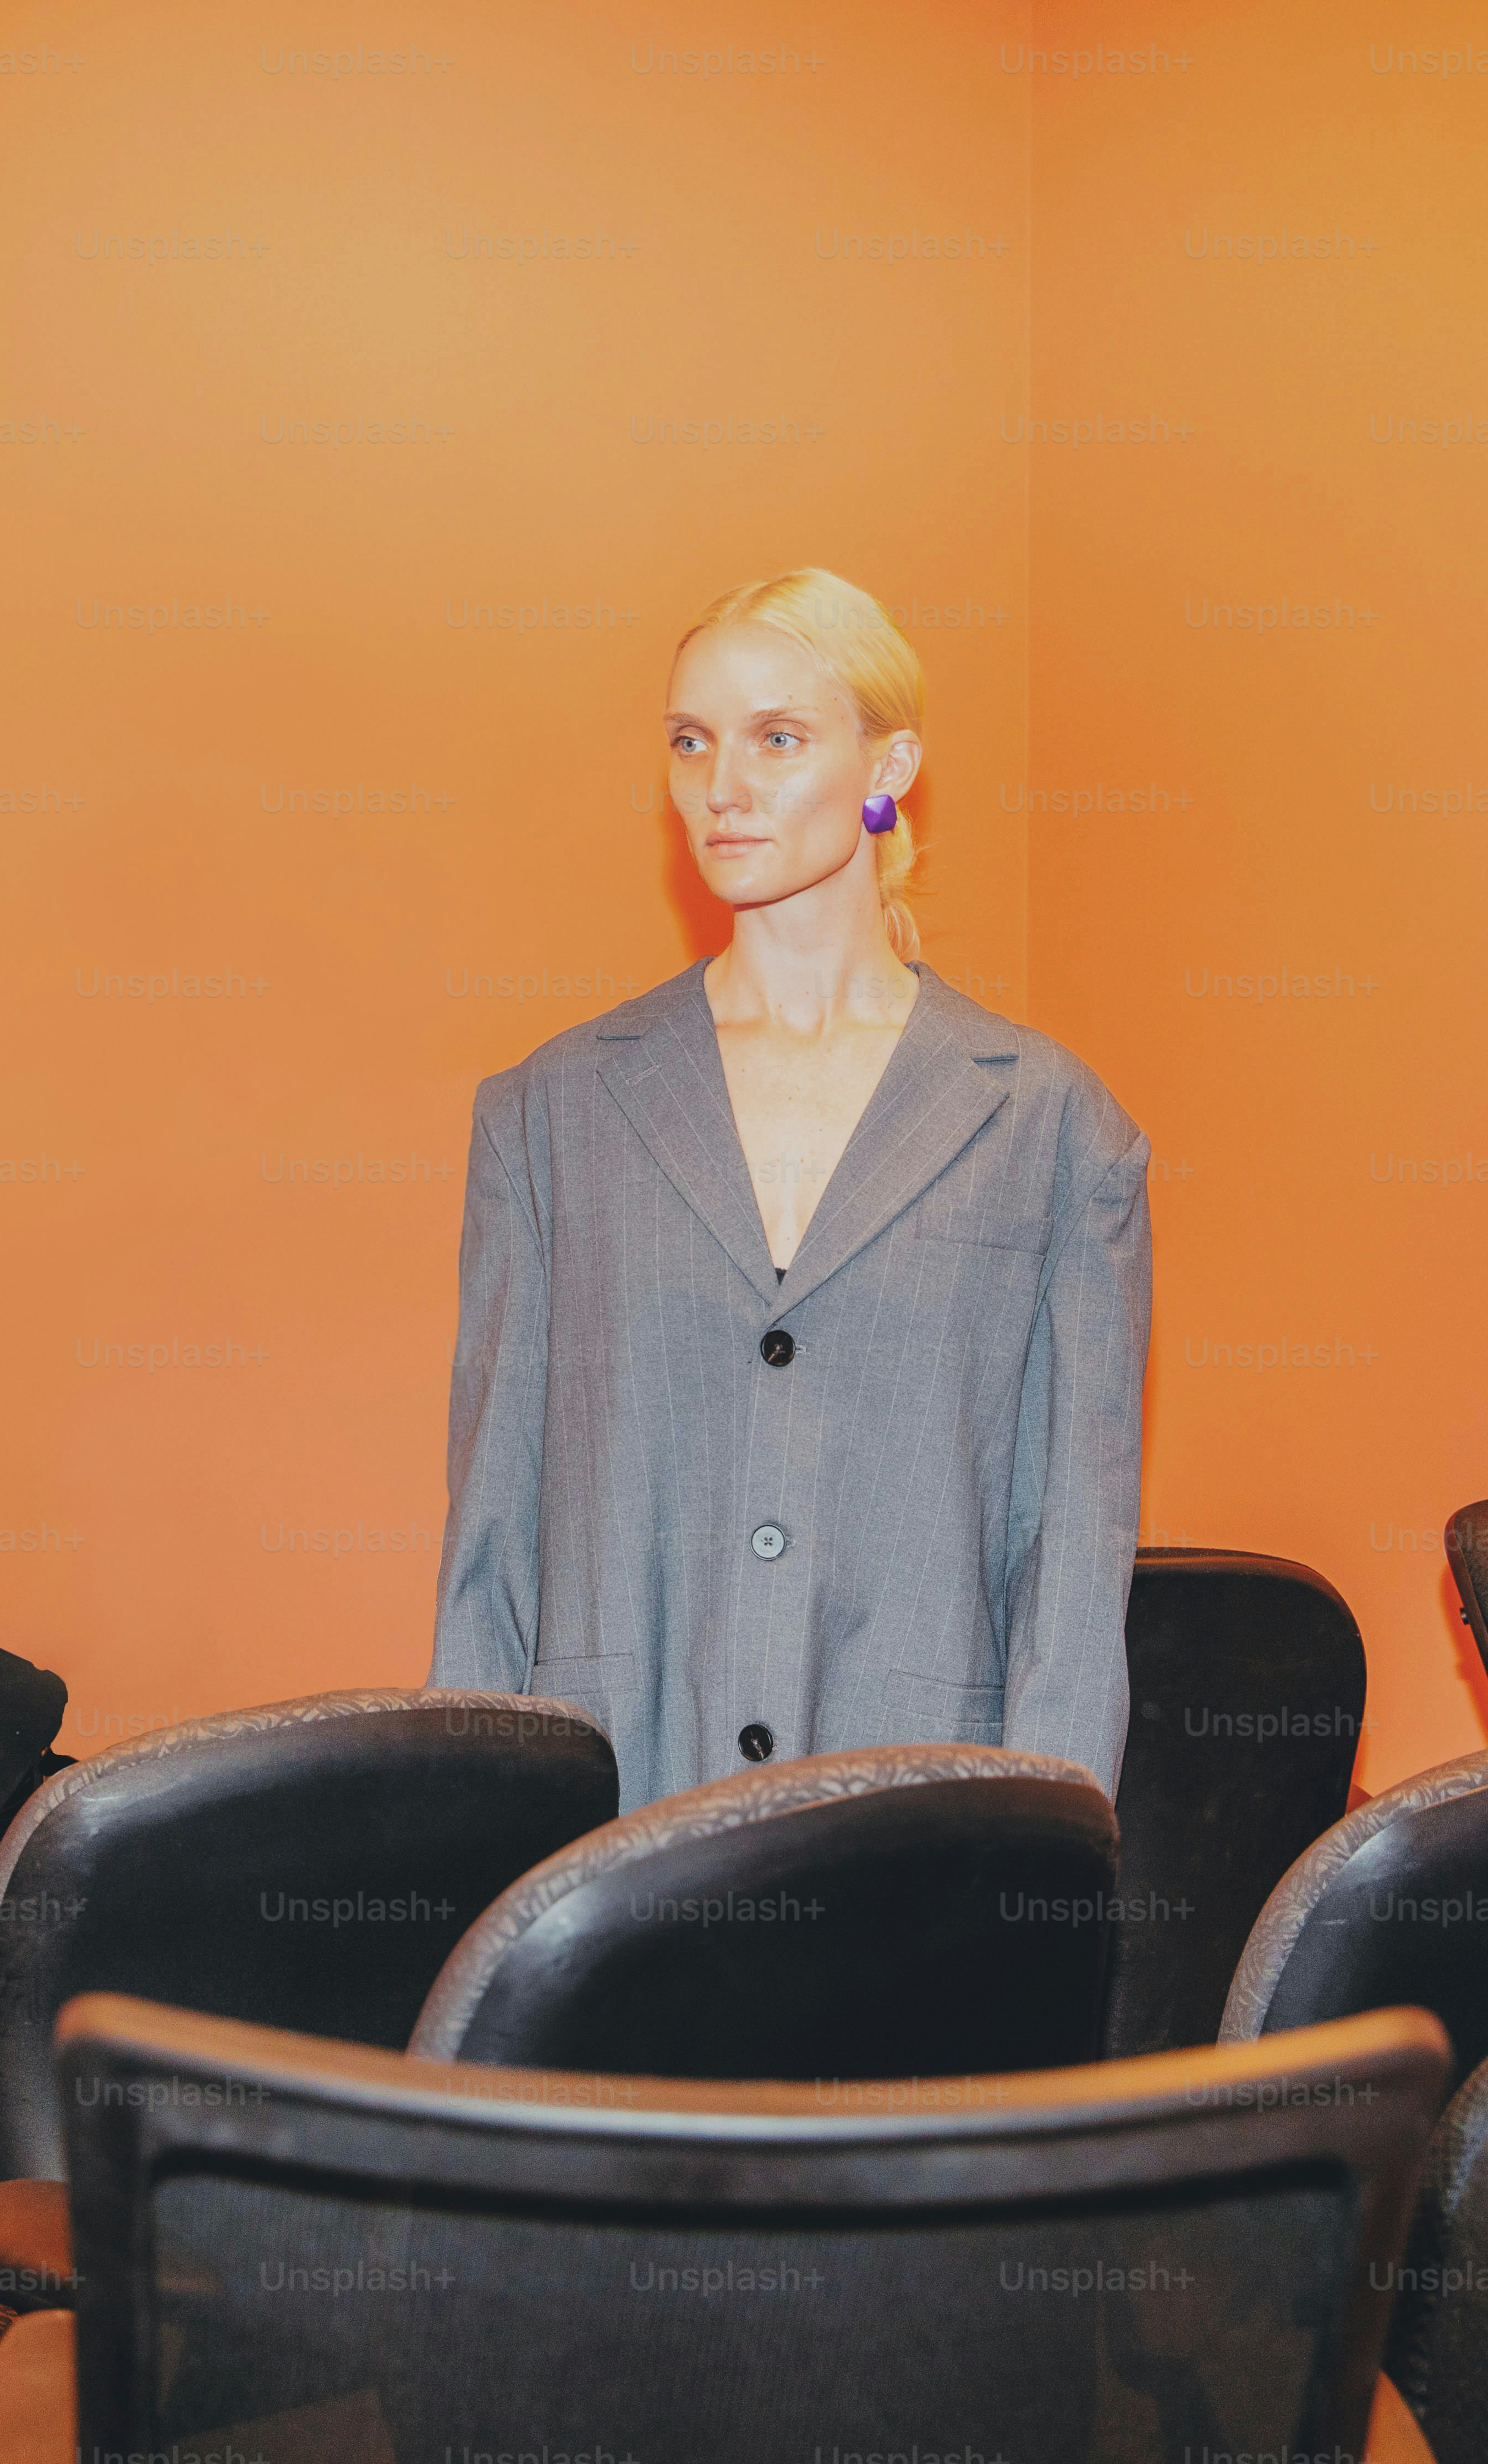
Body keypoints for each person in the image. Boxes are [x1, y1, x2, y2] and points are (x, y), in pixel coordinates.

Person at [429, 568, 1154, 1811]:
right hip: (614, 1830)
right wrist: (470, 1856)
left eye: (777, 737)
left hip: (915, 1840)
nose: (723, 786)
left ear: (888, 766)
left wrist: (1040, 1877)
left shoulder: (1053, 1125)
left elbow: (1072, 1570)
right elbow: (490, 1544)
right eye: (690, 741)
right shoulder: (549, 1114)